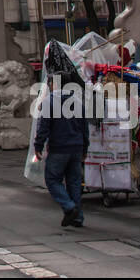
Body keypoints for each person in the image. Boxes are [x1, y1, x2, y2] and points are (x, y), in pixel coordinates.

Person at [33, 76, 89, 228]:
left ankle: (69, 207)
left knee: (52, 180)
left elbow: (43, 128)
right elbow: (85, 128)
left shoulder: (49, 102)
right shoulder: (77, 101)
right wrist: (85, 148)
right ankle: (77, 217)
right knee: (74, 183)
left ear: (55, 83)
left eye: (50, 83)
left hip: (59, 148)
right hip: (76, 147)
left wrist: (38, 146)